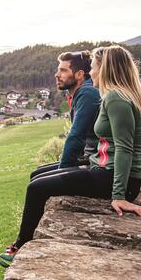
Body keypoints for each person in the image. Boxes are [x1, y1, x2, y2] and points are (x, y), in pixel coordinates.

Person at [0, 45, 141, 267]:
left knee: (36, 188)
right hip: (105, 171)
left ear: (105, 69)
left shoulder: (116, 99)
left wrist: (120, 195)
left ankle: (21, 246)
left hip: (110, 178)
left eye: (93, 67)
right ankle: (23, 242)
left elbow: (124, 148)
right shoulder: (116, 96)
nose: (91, 73)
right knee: (38, 181)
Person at [29, 51, 100, 182]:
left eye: (63, 70)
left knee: (37, 185)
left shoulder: (87, 93)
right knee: (36, 173)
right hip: (89, 157)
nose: (57, 75)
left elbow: (76, 136)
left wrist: (63, 172)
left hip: (96, 161)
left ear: (79, 74)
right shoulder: (81, 92)